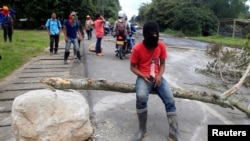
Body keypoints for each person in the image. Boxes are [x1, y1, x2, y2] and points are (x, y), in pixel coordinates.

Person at [130, 21, 180, 141]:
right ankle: (142, 130)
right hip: (144, 78)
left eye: (156, 33)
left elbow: (162, 64)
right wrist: (142, 75)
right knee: (141, 97)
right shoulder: (137, 48)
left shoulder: (161, 46)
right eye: (152, 33)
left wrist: (159, 76)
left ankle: (174, 133)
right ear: (145, 34)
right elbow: (132, 67)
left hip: (158, 78)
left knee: (170, 100)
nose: (155, 35)